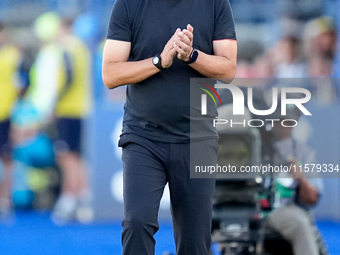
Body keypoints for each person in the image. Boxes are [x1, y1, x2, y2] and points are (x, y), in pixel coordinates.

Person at [102, 0, 237, 254]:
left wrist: (191, 56)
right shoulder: (129, 5)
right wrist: (158, 62)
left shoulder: (215, 4)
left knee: (195, 240)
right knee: (137, 222)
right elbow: (110, 74)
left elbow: (228, 68)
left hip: (197, 138)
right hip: (143, 137)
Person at [267, 105, 326, 255]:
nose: (282, 124)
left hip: (285, 207)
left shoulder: (304, 154)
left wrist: (301, 178)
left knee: (301, 224)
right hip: (252, 204)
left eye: (287, 120)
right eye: (279, 119)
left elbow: (312, 198)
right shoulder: (256, 144)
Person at [0, 22, 28, 218]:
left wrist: (17, 104)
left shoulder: (12, 56)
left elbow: (24, 82)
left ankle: (4, 201)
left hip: (5, 115)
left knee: (7, 157)